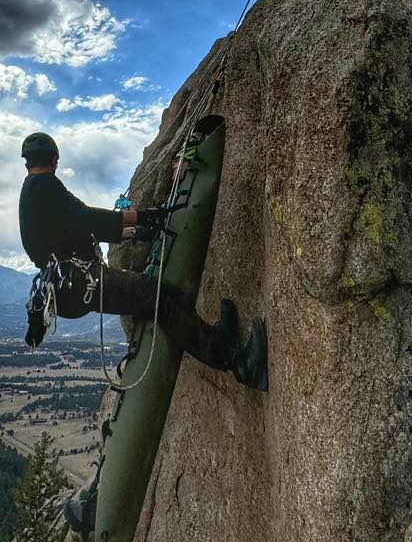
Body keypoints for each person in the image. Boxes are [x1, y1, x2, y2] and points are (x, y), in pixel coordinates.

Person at [16, 131, 267, 390]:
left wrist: (132, 232)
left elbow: (76, 227)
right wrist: (146, 216)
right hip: (81, 283)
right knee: (157, 298)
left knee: (162, 291)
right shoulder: (44, 185)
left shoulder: (32, 191)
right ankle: (238, 363)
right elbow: (87, 218)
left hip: (69, 288)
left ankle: (219, 338)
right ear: (55, 160)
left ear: (27, 162)